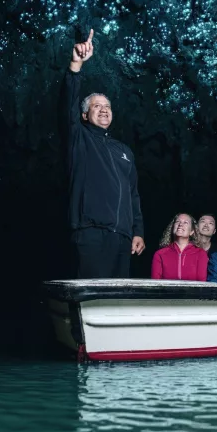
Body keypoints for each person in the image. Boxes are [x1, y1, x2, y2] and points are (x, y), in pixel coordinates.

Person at [62, 28, 145, 279]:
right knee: (91, 295)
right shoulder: (79, 137)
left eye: (107, 106)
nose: (104, 110)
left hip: (122, 237)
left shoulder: (125, 151)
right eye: (96, 106)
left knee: (117, 299)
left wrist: (137, 231)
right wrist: (75, 66)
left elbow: (133, 195)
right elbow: (66, 106)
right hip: (90, 233)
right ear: (85, 114)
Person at [151, 213, 208, 281]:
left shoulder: (201, 254)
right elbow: (155, 284)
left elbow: (201, 284)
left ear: (192, 232)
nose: (180, 224)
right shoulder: (160, 254)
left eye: (185, 222)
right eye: (178, 222)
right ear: (172, 228)